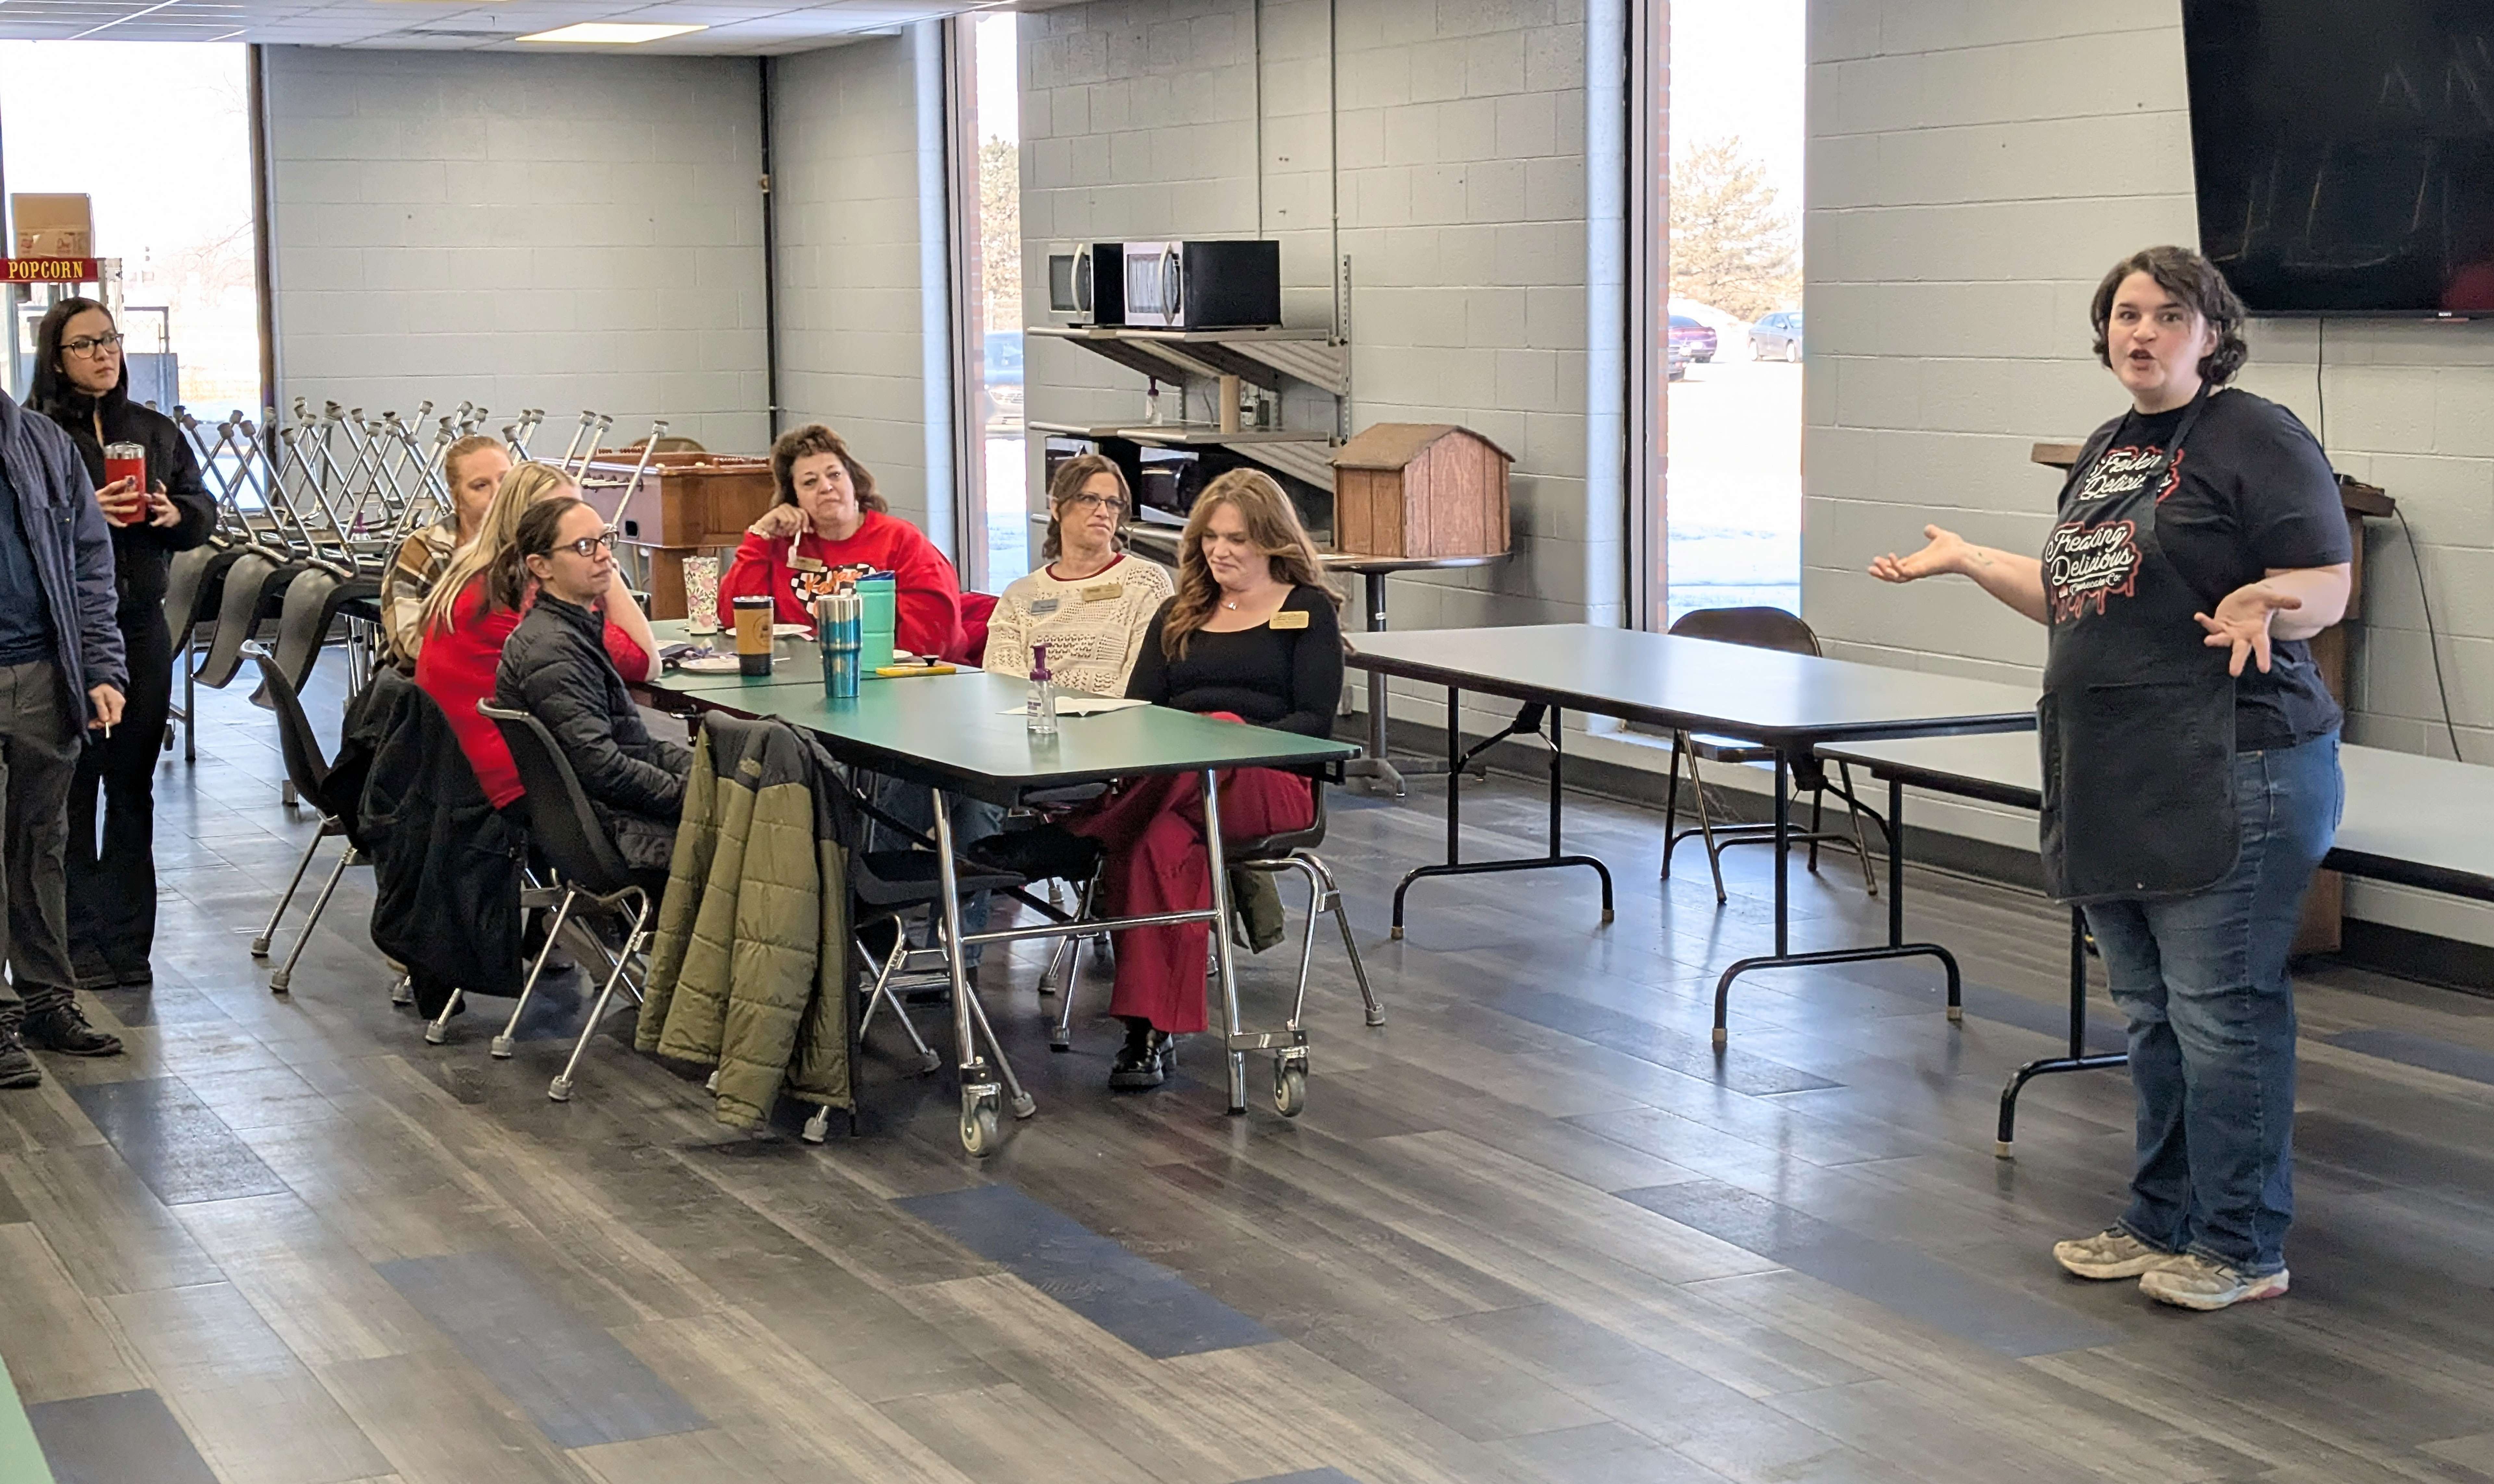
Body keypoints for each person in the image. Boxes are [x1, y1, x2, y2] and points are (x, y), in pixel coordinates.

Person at [1870, 244, 2349, 1312]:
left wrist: (2266, 604)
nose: (2142, 333)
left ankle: (2240, 1244)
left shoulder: (2255, 434)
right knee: (2149, 1012)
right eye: (2125, 315)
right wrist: (1968, 561)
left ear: (2211, 335)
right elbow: (2073, 594)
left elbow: (2325, 583)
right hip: (2116, 765)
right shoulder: (2107, 446)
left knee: (2222, 1012)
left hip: (2239, 761)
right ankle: (2158, 1219)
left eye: (2168, 316)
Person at [1041, 469, 1341, 1090]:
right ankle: (1146, 1030)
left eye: (1237, 539)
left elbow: (1315, 718)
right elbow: (1140, 708)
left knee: (1217, 728)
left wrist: (1222, 737)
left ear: (1272, 541)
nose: (1220, 551)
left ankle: (1093, 823)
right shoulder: (1179, 611)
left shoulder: (1307, 608)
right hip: (1180, 791)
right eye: (1209, 538)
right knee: (1157, 845)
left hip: (1268, 779)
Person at [26, 298, 216, 992]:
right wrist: (85, 516)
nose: (104, 353)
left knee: (131, 787)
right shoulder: (38, 434)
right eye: (86, 344)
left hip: (140, 623)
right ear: (57, 356)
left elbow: (203, 509)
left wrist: (174, 514)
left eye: (110, 339)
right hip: (65, 630)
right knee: (72, 788)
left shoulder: (153, 429)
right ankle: (76, 941)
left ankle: (129, 941)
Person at [0, 385, 130, 1090]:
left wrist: (102, 666)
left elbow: (90, 564)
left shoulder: (44, 445)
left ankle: (47, 999)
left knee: (40, 845)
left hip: (47, 674)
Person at [414, 462, 659, 815]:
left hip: (456, 769)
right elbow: (646, 662)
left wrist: (590, 554)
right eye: (577, 537)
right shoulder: (520, 598)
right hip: (511, 784)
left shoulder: (477, 574)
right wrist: (604, 565)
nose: (576, 521)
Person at [495, 497, 691, 871]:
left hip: (609, 821)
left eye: (605, 539)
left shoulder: (568, 631)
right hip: (619, 835)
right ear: (541, 566)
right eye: (585, 546)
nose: (605, 556)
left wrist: (707, 772)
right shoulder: (552, 651)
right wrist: (694, 795)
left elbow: (634, 746)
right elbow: (603, 768)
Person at [719, 423, 962, 659]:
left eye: (835, 475)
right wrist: (760, 536)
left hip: (892, 679)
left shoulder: (902, 541)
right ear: (794, 498)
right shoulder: (781, 545)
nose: (826, 487)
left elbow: (932, 641)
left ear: (854, 482)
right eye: (810, 482)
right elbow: (736, 622)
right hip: (798, 681)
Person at [984, 454, 1173, 695]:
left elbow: (1141, 680)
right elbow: (1002, 680)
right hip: (1035, 722)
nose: (1103, 512)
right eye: (1089, 499)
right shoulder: (1020, 596)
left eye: (1114, 503)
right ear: (1056, 507)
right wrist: (1049, 715)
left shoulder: (1146, 582)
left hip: (1113, 724)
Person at [380, 434, 511, 668]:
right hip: (428, 690)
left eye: (506, 480)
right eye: (481, 486)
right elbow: (408, 645)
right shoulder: (423, 550)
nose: (498, 494)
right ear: (457, 498)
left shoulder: (531, 545)